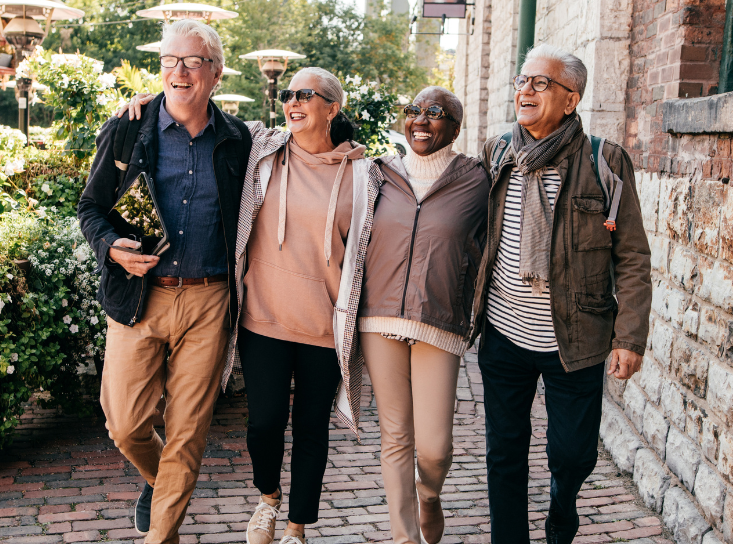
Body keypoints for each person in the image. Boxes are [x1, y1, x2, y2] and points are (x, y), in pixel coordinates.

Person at [76, 19, 253, 544]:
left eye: (193, 62)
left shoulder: (239, 140)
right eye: (169, 61)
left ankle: (162, 535)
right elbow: (90, 207)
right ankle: (161, 484)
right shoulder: (129, 128)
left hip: (208, 299)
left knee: (188, 431)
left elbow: (305, 146)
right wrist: (111, 247)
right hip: (139, 297)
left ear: (215, 74)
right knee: (125, 424)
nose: (179, 72)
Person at [472, 44, 651, 544]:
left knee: (572, 453)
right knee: (504, 450)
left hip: (577, 338)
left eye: (539, 83)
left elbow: (632, 256)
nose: (524, 90)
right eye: (521, 80)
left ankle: (561, 502)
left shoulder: (604, 161)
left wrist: (630, 337)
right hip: (505, 334)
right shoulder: (497, 153)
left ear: (571, 100)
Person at [337, 86, 489, 544]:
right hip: (378, 320)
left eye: (435, 113)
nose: (420, 120)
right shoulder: (379, 174)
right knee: (396, 436)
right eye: (413, 111)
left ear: (456, 128)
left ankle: (430, 493)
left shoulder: (478, 180)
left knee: (435, 447)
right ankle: (404, 537)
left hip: (440, 324)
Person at [233, 68, 374, 544]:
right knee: (264, 422)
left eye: (305, 95)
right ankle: (268, 498)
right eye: (289, 94)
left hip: (322, 326)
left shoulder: (363, 175)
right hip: (263, 318)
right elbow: (203, 116)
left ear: (331, 108)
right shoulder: (264, 151)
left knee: (311, 429)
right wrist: (150, 102)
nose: (292, 102)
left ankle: (296, 527)